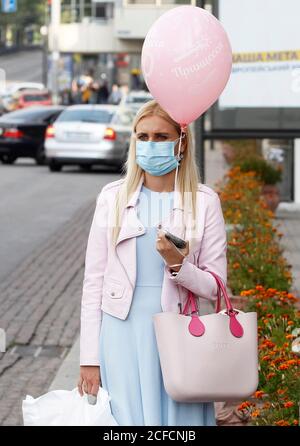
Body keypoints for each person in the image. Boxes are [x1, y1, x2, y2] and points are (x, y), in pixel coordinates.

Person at [77, 99, 227, 426]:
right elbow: (94, 283)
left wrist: (180, 266)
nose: (150, 145)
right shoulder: (112, 198)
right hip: (121, 334)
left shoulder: (204, 202)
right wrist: (89, 358)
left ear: (181, 142)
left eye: (161, 137)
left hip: (181, 334)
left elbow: (217, 288)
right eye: (142, 137)